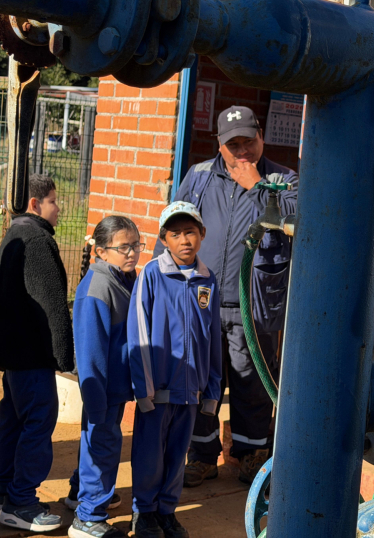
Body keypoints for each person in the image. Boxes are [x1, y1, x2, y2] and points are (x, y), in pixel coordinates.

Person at [154, 105, 298, 487]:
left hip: (255, 304)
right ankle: (202, 456)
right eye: (233, 145)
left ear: (261, 137)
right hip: (202, 303)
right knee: (199, 382)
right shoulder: (200, 176)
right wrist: (161, 286)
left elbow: (300, 218)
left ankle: (252, 457)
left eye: (248, 141)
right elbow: (172, 226)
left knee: (253, 384)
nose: (242, 151)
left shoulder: (282, 179)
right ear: (220, 145)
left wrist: (257, 186)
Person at [0, 174, 74, 533]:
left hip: (13, 356)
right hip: (32, 356)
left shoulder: (13, 234)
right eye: (53, 200)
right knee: (37, 424)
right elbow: (52, 303)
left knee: (13, 421)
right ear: (35, 204)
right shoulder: (37, 240)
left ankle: (4, 493)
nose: (59, 208)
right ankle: (21, 503)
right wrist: (64, 357)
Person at [128, 202, 222, 538]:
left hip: (191, 391)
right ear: (163, 239)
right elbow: (139, 333)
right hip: (157, 391)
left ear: (202, 234)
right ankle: (143, 513)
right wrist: (144, 389)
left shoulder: (208, 280)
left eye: (190, 232)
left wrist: (212, 391)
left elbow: (213, 340)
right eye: (176, 233)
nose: (184, 240)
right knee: (149, 455)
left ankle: (166, 512)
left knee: (177, 455)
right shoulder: (152, 274)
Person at [66, 216, 143, 538]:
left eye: (136, 245)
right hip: (103, 391)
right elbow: (91, 353)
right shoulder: (98, 288)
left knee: (98, 445)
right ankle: (88, 519)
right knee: (102, 447)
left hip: (115, 387)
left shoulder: (123, 278)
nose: (132, 252)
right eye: (123, 247)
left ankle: (79, 494)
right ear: (100, 251)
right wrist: (96, 404)